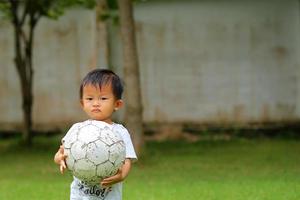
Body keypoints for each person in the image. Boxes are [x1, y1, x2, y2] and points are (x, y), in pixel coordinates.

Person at [54, 69, 137, 200]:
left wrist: (122, 175)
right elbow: (62, 152)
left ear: (117, 104)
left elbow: (127, 160)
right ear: (82, 103)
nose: (96, 103)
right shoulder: (77, 130)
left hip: (108, 196)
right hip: (79, 196)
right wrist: (59, 158)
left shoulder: (120, 132)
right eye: (89, 98)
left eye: (103, 98)